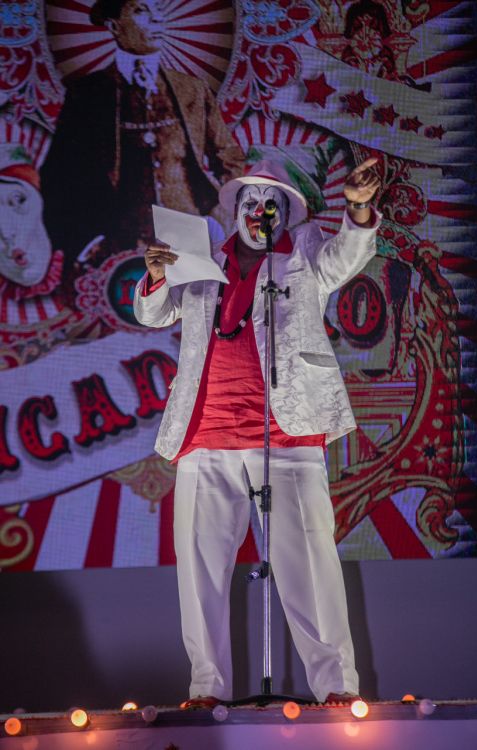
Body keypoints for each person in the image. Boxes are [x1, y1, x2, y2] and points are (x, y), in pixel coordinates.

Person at [133, 158, 381, 707]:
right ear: (236, 209)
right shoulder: (200, 260)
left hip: (285, 433)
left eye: (271, 204)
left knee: (308, 561)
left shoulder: (304, 253)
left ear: (286, 213)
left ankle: (336, 685)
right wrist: (156, 276)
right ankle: (206, 687)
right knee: (200, 568)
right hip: (206, 433)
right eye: (251, 202)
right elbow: (155, 315)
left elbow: (347, 257)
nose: (259, 212)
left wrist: (359, 209)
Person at [40, 0, 244, 274]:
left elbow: (229, 157)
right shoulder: (86, 95)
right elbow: (57, 176)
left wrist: (219, 216)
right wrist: (86, 240)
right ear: (114, 26)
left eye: (158, 8)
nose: (159, 18)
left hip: (192, 245)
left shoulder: (193, 90)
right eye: (141, 10)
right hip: (117, 251)